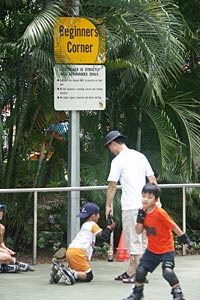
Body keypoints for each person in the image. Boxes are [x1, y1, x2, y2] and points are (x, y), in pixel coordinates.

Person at [105, 130, 159, 283]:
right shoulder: (139, 156)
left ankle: (140, 275)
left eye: (110, 148)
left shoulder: (118, 161)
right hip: (146, 206)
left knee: (133, 241)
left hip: (131, 207)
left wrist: (108, 205)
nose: (111, 151)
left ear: (113, 144)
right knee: (142, 240)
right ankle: (131, 271)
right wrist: (157, 201)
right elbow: (152, 178)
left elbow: (112, 185)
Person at [122, 183, 193, 300]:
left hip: (166, 249)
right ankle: (137, 294)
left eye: (149, 197)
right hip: (152, 250)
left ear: (156, 199)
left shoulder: (160, 213)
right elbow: (138, 231)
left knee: (168, 272)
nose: (145, 199)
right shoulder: (143, 212)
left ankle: (178, 294)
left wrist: (185, 240)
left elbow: (173, 226)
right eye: (143, 196)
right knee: (140, 271)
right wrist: (140, 219)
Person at [50, 202, 115, 285]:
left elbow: (97, 240)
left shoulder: (85, 225)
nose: (99, 216)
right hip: (78, 252)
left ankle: (61, 272)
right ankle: (70, 272)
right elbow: (104, 236)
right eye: (98, 214)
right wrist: (109, 227)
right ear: (93, 215)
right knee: (88, 276)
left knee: (80, 272)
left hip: (70, 251)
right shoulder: (92, 224)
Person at [0, 204, 34, 273]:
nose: (0, 213)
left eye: (1, 211)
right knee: (5, 257)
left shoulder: (2, 228)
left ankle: (4, 268)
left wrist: (6, 249)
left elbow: (0, 242)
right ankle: (16, 264)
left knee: (7, 256)